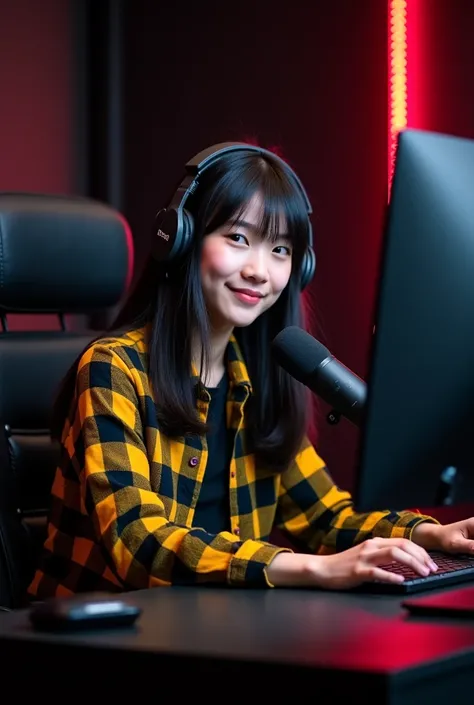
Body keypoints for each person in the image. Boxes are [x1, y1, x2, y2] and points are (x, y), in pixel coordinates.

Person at [29, 142, 474, 599]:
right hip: (94, 644)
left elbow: (326, 517)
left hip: (215, 632)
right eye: (239, 238)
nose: (261, 270)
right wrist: (314, 569)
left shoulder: (258, 380)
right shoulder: (113, 368)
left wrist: (430, 534)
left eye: (281, 249)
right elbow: (136, 542)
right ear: (182, 237)